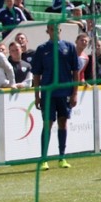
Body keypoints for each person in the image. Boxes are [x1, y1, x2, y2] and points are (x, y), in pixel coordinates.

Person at [31, 23, 79, 170]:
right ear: (48, 31)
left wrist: (75, 93)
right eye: (52, 29)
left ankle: (61, 157)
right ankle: (43, 159)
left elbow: (75, 72)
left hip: (64, 92)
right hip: (48, 93)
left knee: (63, 123)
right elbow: (37, 74)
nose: (55, 31)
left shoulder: (69, 47)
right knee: (47, 123)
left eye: (57, 29)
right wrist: (37, 95)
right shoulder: (41, 49)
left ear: (60, 30)